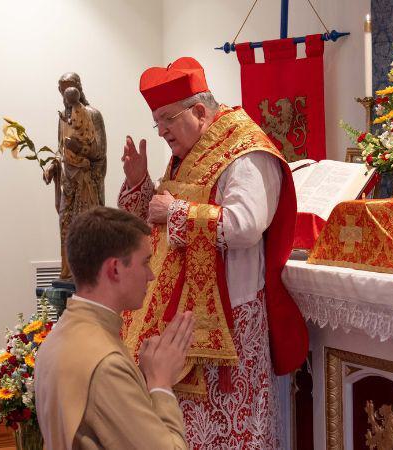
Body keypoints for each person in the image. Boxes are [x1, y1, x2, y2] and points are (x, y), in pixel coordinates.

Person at [118, 56, 308, 448]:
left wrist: (175, 211)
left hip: (231, 318)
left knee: (232, 427)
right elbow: (160, 222)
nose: (162, 132)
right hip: (184, 315)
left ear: (199, 111)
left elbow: (246, 224)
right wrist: (139, 186)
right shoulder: (192, 150)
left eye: (167, 119)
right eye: (157, 122)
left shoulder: (246, 151)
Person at [35, 206, 193, 449]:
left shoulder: (62, 332)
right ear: (115, 269)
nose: (150, 275)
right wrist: (160, 383)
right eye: (145, 262)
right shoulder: (107, 364)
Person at [43, 72, 107, 280]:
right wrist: (53, 167)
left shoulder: (93, 114)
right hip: (68, 183)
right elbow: (61, 151)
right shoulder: (63, 117)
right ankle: (69, 270)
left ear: (79, 88)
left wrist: (80, 147)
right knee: (66, 224)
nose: (67, 93)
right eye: (63, 89)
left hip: (86, 182)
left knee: (87, 226)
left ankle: (90, 273)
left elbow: (100, 151)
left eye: (71, 88)